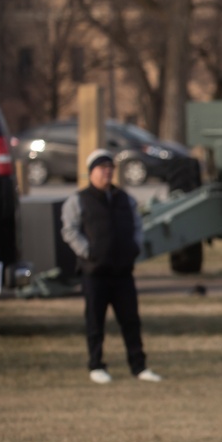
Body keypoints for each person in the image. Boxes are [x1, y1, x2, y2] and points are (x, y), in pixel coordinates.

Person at [60, 149, 161, 385]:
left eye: (110, 168)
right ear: (91, 172)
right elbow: (69, 230)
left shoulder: (125, 198)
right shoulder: (79, 200)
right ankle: (96, 365)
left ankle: (139, 366)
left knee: (131, 321)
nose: (107, 172)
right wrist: (88, 252)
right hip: (95, 272)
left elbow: (138, 225)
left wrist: (134, 248)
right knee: (95, 322)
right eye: (102, 168)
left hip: (123, 272)